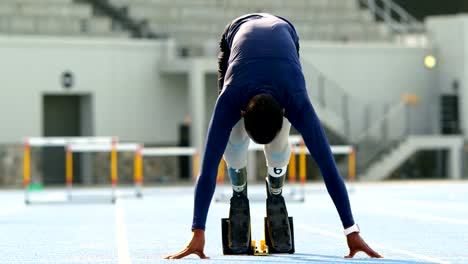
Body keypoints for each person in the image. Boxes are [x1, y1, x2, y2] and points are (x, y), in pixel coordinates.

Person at [165, 13, 382, 259]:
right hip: (234, 38)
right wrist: (197, 230)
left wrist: (351, 229)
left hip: (286, 37)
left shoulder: (295, 98)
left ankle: (275, 192)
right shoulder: (230, 96)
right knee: (233, 145)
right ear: (242, 112)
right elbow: (208, 168)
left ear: (284, 111)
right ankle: (239, 193)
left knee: (279, 148)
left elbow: (328, 167)